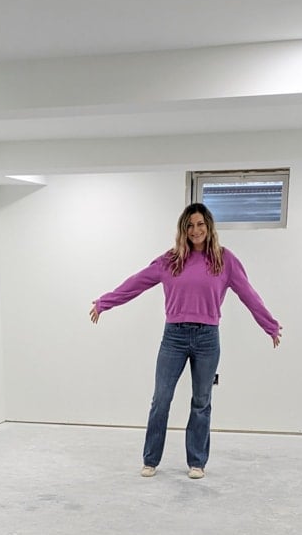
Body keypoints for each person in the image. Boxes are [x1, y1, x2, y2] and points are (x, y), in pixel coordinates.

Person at [89, 202, 282, 479]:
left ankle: (197, 462)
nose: (195, 230)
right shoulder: (170, 260)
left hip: (207, 338)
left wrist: (269, 325)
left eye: (200, 224)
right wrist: (104, 302)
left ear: (209, 226)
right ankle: (151, 459)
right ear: (184, 229)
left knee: (201, 401)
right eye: (190, 225)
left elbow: (248, 294)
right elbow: (136, 283)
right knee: (161, 399)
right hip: (174, 337)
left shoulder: (224, 260)